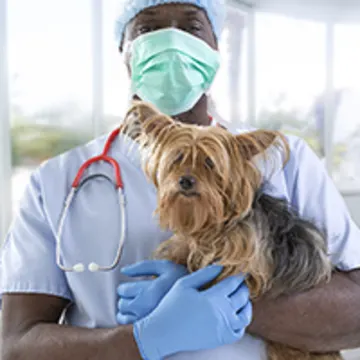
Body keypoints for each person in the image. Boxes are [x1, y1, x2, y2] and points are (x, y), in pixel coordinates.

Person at [1, 0, 360, 359]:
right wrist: (141, 340)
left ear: (215, 46)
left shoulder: (284, 161)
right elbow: (15, 345)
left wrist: (236, 302)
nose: (170, 41)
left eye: (190, 27)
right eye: (147, 28)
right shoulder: (56, 181)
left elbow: (354, 317)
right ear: (123, 51)